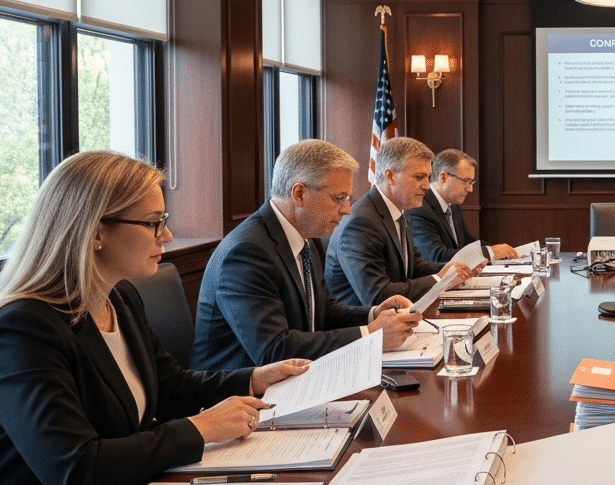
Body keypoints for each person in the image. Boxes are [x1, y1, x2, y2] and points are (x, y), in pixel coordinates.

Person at [0, 151, 305, 485]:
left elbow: (169, 383)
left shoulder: (117, 295)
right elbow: (73, 470)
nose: (169, 236)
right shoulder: (23, 329)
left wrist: (254, 378)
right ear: (96, 230)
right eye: (154, 223)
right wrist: (200, 429)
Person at [192, 139, 420, 373]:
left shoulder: (303, 236)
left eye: (348, 199)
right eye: (339, 198)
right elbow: (274, 350)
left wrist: (374, 314)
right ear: (299, 194)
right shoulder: (246, 252)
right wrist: (370, 334)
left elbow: (324, 311)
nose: (347, 210)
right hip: (239, 399)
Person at [325, 137, 478, 305]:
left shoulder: (400, 210)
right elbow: (378, 295)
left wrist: (453, 269)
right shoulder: (361, 223)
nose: (427, 186)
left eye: (428, 177)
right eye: (419, 177)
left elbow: (413, 264)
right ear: (390, 176)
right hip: (366, 325)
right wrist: (439, 279)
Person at [410, 148, 518, 263]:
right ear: (443, 177)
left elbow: (466, 242)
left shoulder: (453, 205)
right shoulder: (419, 208)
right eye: (465, 181)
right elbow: (436, 256)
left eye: (471, 182)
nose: (470, 189)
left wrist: (501, 251)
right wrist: (490, 252)